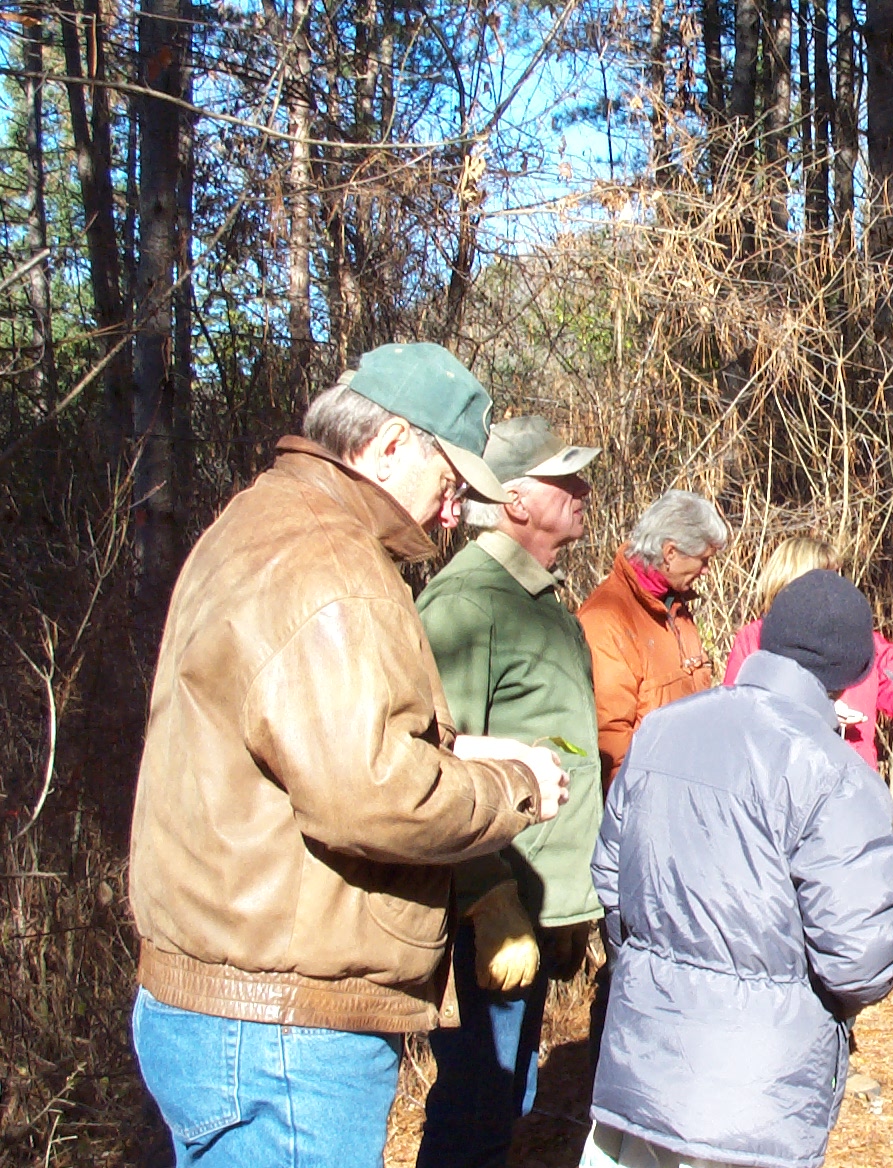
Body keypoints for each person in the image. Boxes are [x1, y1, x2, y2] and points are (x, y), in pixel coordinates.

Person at [129, 343, 569, 1168]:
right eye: (450, 482)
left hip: (225, 1002)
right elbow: (370, 797)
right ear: (392, 442)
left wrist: (453, 749)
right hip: (284, 1029)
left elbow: (295, 744)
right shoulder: (330, 561)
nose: (452, 513)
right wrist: (515, 787)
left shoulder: (261, 520)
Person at [584, 570, 893, 1168]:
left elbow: (610, 881)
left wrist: (652, 969)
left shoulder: (661, 729)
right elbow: (860, 962)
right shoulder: (835, 774)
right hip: (758, 1095)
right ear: (857, 671)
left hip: (642, 1069)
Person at [414, 416, 607, 1168]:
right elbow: (435, 762)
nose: (584, 491)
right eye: (567, 480)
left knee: (506, 1103)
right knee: (473, 1113)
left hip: (539, 903)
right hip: (487, 918)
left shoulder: (545, 601)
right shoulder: (466, 605)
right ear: (517, 500)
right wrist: (486, 898)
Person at [721, 535, 893, 769]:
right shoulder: (754, 639)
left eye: (837, 578)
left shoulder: (864, 642)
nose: (835, 590)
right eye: (822, 581)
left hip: (850, 788)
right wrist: (818, 710)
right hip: (780, 785)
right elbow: (742, 715)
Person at [576, 489, 729, 786]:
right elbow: (610, 737)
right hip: (643, 797)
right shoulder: (607, 619)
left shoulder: (677, 608)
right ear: (670, 553)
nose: (708, 571)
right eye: (703, 560)